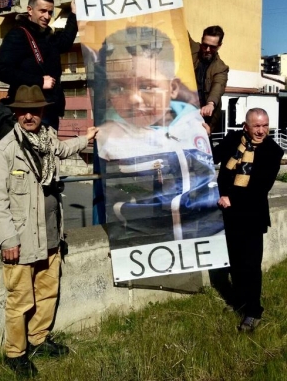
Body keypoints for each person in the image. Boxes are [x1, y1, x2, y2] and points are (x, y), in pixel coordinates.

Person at [0, 85, 98, 378]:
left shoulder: (47, 139)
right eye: (22, 111)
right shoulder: (5, 149)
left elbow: (63, 149)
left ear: (41, 112)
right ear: (15, 114)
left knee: (47, 292)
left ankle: (38, 340)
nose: (28, 116)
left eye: (33, 110)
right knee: (20, 299)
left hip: (50, 233)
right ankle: (15, 353)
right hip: (21, 241)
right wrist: (8, 239)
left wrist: (86, 137)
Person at [90, 26, 223, 249]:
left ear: (172, 88)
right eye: (119, 87)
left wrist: (202, 124)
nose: (133, 99)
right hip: (144, 245)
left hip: (195, 243)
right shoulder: (112, 137)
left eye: (147, 86)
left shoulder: (191, 124)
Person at [214, 108, 283, 332]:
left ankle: (253, 311)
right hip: (228, 212)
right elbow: (213, 157)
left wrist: (230, 197)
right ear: (246, 126)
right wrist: (203, 134)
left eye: (265, 126)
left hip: (251, 214)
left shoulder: (273, 151)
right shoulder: (233, 139)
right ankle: (241, 303)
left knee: (251, 265)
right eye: (256, 126)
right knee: (235, 261)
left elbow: (260, 187)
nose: (261, 131)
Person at [0, 0, 78, 131]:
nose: (47, 16)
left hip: (50, 108)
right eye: (42, 11)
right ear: (30, 10)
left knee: (48, 152)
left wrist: (74, 14)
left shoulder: (46, 34)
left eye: (50, 12)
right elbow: (1, 70)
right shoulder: (18, 34)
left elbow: (64, 43)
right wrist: (39, 81)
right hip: (29, 112)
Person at [189, 26, 229, 133]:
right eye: (205, 45)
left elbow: (218, 85)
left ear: (219, 46)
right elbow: (180, 30)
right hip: (183, 112)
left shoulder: (221, 68)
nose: (207, 50)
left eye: (212, 47)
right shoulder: (194, 49)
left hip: (204, 121)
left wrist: (210, 104)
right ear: (201, 40)